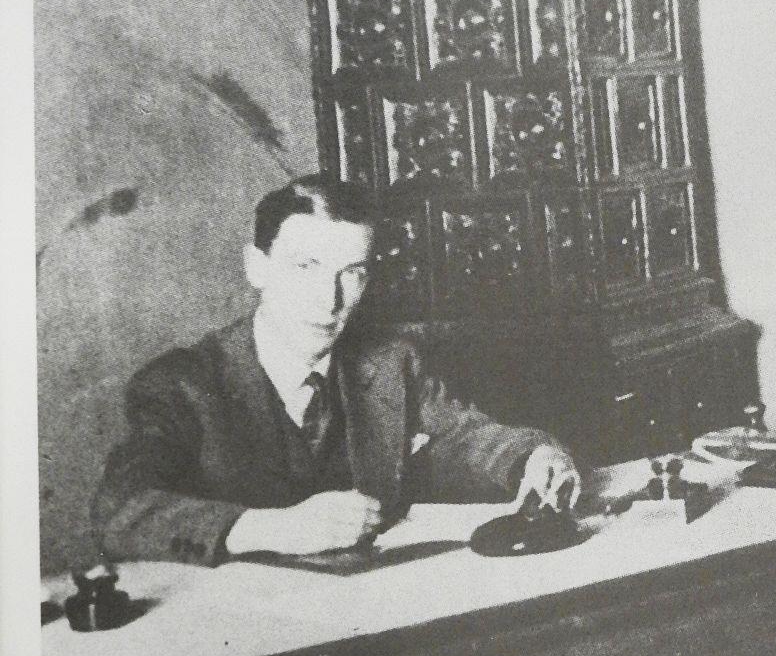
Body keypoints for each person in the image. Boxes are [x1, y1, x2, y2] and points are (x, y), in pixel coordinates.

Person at [92, 176, 580, 565]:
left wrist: (532, 456)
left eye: (352, 272)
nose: (329, 300)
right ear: (256, 267)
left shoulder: (390, 362)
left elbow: (465, 437)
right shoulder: (181, 384)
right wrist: (268, 528)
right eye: (306, 267)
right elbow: (119, 511)